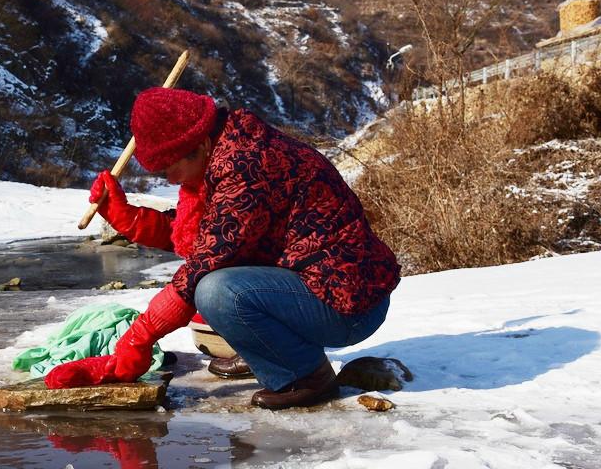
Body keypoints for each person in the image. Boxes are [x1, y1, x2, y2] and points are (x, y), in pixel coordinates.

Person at [45, 87, 401, 409]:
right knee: (218, 290)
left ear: (199, 145)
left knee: (217, 292)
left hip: (348, 305)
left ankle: (305, 375)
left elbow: (207, 260)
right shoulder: (226, 147)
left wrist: (139, 338)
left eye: (170, 167)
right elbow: (209, 233)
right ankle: (271, 355)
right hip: (317, 286)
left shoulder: (245, 165)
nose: (169, 179)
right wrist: (127, 218)